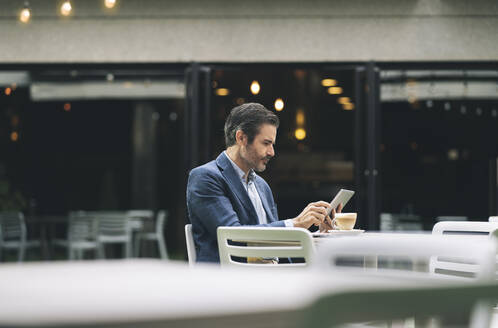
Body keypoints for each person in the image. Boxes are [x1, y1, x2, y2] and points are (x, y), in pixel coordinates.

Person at [186, 103, 341, 263]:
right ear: (241, 138)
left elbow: (275, 245)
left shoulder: (261, 185)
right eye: (266, 143)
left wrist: (318, 235)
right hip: (227, 281)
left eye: (272, 144)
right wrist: (295, 224)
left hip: (269, 276)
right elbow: (232, 235)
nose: (272, 152)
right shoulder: (205, 177)